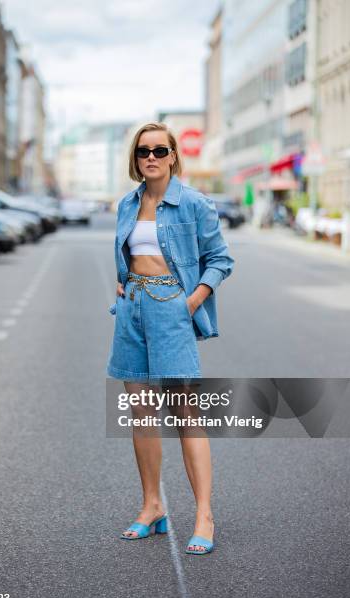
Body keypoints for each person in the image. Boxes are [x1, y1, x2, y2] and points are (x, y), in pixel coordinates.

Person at [106, 122, 235, 554]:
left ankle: (204, 514)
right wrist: (123, 285)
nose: (152, 158)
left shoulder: (195, 204)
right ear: (135, 159)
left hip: (172, 308)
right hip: (132, 310)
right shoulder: (128, 203)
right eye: (144, 151)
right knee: (140, 413)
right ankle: (152, 506)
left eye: (160, 150)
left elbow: (220, 259)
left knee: (185, 414)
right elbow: (129, 253)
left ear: (174, 155)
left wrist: (192, 301)